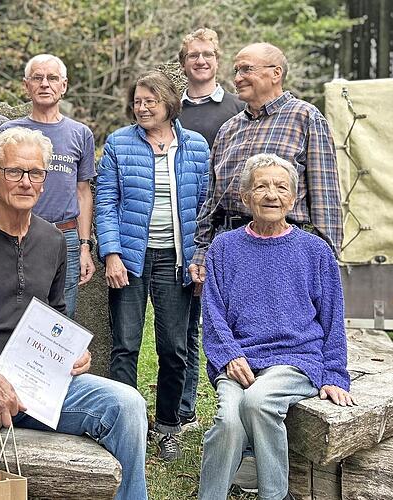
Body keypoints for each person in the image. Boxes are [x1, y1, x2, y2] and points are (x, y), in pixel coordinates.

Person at [0, 127, 148, 500]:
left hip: (38, 383)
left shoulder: (53, 240)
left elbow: (55, 317)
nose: (26, 182)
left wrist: (72, 352)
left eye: (36, 172)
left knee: (127, 404)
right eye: (15, 171)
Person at [198, 153, 354, 500]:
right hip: (240, 360)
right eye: (261, 187)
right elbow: (213, 313)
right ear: (245, 197)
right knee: (228, 422)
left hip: (296, 360)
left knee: (258, 401)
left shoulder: (315, 251)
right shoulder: (223, 247)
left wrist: (334, 375)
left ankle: (274, 494)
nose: (272, 195)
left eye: (281, 187)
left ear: (293, 198)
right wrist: (228, 355)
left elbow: (332, 318)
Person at [95, 71, 209, 461]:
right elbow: (106, 203)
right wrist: (111, 253)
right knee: (125, 346)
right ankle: (126, 427)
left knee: (174, 348)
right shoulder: (118, 143)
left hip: (176, 261)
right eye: (137, 102)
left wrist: (200, 257)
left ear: (169, 103)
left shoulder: (195, 146)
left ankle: (167, 427)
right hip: (130, 259)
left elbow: (205, 209)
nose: (142, 108)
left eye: (150, 101)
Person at [190, 42, 342, 286]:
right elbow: (212, 199)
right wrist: (202, 250)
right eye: (236, 71)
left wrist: (327, 262)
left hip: (286, 251)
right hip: (230, 250)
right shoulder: (228, 129)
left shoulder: (306, 118)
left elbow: (325, 198)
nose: (237, 78)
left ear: (276, 73)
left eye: (246, 69)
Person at [176, 27, 245, 432]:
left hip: (229, 231)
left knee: (228, 321)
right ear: (183, 63)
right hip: (184, 229)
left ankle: (232, 408)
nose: (200, 61)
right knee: (186, 324)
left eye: (208, 55)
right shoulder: (172, 110)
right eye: (193, 55)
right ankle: (185, 410)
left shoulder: (238, 109)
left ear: (218, 60)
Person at [0, 54, 96, 318]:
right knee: (12, 312)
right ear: (26, 85)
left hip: (66, 237)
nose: (45, 84)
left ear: (64, 85)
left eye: (52, 78)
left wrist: (84, 245)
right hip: (17, 235)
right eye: (37, 78)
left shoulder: (80, 133)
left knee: (61, 318)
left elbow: (83, 192)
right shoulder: (9, 132)